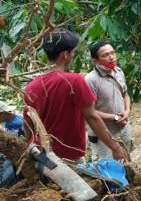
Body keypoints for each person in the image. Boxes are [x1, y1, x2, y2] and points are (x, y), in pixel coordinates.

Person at [23, 28, 127, 162]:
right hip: (69, 155)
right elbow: (92, 117)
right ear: (65, 54)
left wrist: (31, 148)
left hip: (42, 155)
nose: (73, 55)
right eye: (73, 52)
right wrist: (115, 147)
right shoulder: (74, 81)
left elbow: (27, 124)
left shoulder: (31, 87)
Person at [86, 41, 133, 159]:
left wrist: (126, 112)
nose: (111, 57)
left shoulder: (118, 71)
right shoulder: (91, 80)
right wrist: (115, 117)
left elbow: (125, 94)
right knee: (107, 169)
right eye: (105, 55)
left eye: (112, 53)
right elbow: (89, 112)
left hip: (124, 127)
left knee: (128, 159)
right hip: (104, 134)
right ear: (95, 61)